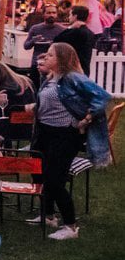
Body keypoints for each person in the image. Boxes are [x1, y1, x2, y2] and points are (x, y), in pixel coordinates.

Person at [32, 43, 111, 240]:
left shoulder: (72, 78)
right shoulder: (50, 77)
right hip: (45, 132)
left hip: (64, 135)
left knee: (55, 181)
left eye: (50, 55)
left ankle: (71, 226)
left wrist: (87, 118)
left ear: (62, 59)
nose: (45, 58)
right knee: (39, 174)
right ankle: (48, 216)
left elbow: (102, 97)